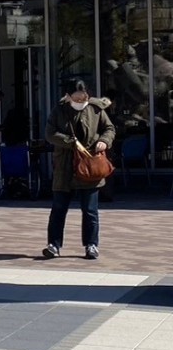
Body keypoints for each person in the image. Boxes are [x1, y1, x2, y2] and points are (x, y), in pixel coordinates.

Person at [42, 80, 115, 260]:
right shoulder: (59, 110)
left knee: (90, 210)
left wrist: (104, 141)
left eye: (84, 97)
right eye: (76, 97)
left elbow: (109, 128)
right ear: (68, 96)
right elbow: (50, 134)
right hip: (65, 167)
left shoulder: (96, 109)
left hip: (90, 165)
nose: (81, 100)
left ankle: (91, 245)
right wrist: (71, 143)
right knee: (58, 209)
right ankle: (54, 245)